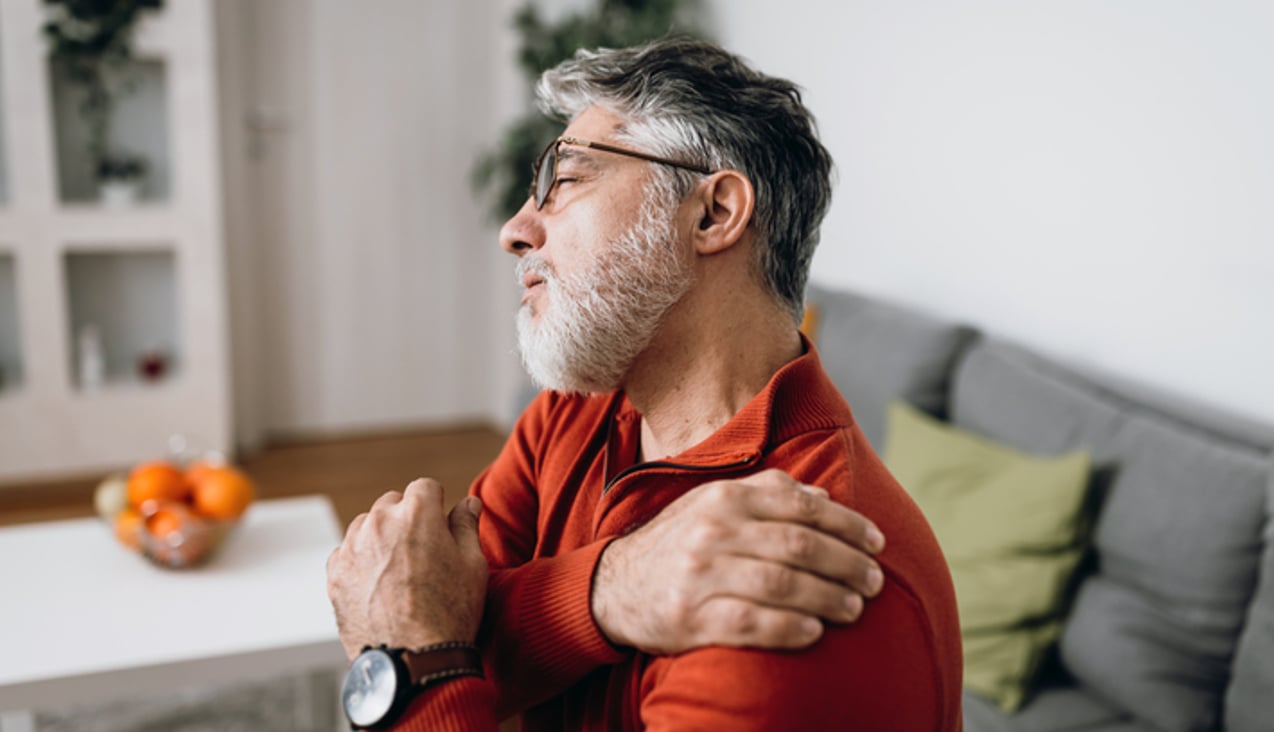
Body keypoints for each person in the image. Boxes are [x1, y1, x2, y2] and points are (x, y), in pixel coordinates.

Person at [327, 37, 962, 731]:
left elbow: (432, 635)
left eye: (565, 180)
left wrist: (409, 653)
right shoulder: (569, 420)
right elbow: (455, 628)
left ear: (712, 214)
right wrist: (606, 589)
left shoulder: (783, 574)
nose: (516, 229)